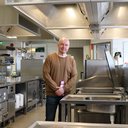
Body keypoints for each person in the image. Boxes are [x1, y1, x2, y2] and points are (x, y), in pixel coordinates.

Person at [42, 37, 77, 121]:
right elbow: (46, 74)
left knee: (63, 119)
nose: (64, 47)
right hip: (51, 95)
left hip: (65, 95)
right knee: (49, 119)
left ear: (68, 47)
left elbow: (74, 76)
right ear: (58, 45)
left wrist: (63, 89)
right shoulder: (50, 58)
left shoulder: (71, 60)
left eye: (66, 45)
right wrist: (56, 88)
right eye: (62, 44)